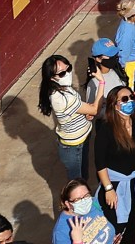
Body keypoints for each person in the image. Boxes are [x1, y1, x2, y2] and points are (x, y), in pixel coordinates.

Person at [90, 85, 135, 244]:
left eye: (132, 98)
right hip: (115, 186)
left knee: (132, 225)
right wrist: (108, 189)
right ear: (115, 104)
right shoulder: (106, 129)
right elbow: (100, 162)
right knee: (116, 229)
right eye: (125, 99)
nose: (130, 101)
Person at [40, 54, 95, 185]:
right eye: (62, 73)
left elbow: (78, 109)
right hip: (73, 146)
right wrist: (101, 82)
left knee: (84, 176)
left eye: (68, 69)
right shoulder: (60, 98)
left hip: (83, 137)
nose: (67, 74)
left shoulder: (65, 88)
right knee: (76, 184)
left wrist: (84, 114)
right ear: (52, 78)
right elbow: (94, 110)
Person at [51, 181, 116, 244]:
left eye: (86, 195)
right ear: (68, 204)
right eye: (78, 199)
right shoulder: (61, 231)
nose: (84, 201)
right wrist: (77, 241)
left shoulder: (93, 203)